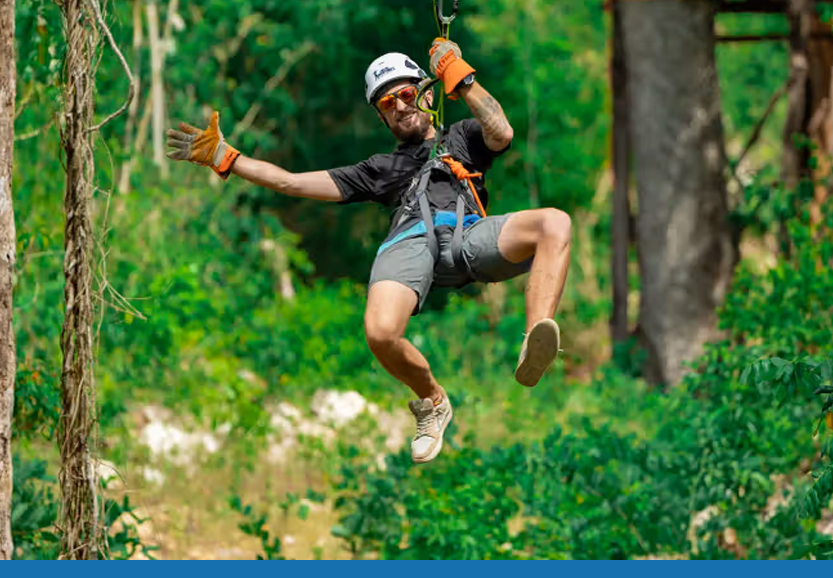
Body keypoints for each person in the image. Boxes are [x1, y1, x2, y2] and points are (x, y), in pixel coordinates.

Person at [166, 38, 571, 464]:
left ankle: (534, 339)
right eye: (386, 104)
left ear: (427, 94)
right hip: (411, 241)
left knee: (555, 222)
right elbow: (291, 181)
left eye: (406, 94)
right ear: (381, 117)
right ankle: (432, 401)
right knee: (379, 333)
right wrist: (226, 157)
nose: (398, 106)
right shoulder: (379, 169)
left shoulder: (464, 137)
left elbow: (502, 131)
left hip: (468, 235)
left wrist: (460, 75)